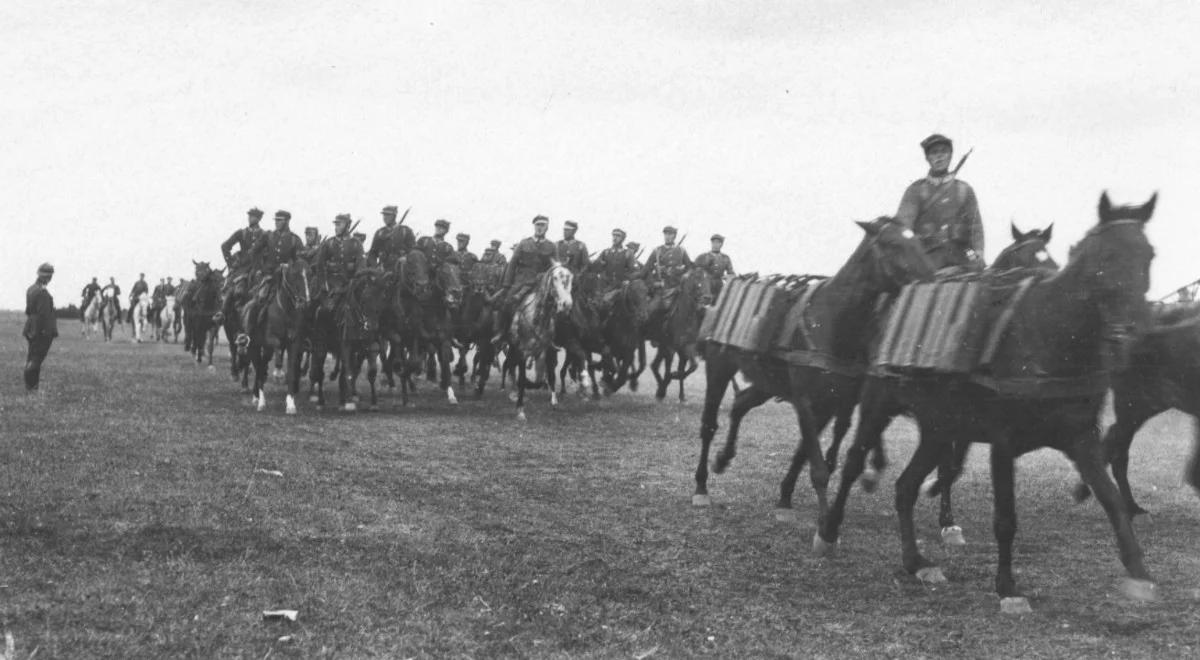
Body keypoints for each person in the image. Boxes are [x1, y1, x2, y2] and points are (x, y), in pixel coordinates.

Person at [895, 133, 985, 271]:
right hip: (928, 261)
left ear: (950, 155)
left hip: (962, 258)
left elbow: (976, 227)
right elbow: (903, 229)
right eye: (934, 153)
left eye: (944, 151)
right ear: (927, 158)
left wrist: (978, 253)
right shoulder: (916, 191)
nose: (939, 156)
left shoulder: (964, 190)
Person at [239, 209, 305, 340]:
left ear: (287, 221)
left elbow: (300, 260)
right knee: (257, 302)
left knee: (299, 304)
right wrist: (259, 269)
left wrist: (290, 267)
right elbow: (253, 252)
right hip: (269, 277)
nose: (277, 223)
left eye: (280, 221)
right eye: (276, 220)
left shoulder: (294, 240)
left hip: (287, 279)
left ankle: (301, 338)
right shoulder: (268, 236)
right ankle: (247, 335)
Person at [493, 215, 558, 342]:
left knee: (556, 307)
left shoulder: (552, 246)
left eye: (543, 225)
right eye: (538, 225)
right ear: (534, 226)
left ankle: (553, 338)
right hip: (521, 282)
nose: (540, 228)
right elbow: (512, 264)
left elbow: (555, 267)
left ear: (547, 227)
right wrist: (507, 284)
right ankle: (502, 332)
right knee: (507, 303)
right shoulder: (524, 243)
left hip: (541, 284)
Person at [316, 213, 366, 313]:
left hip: (350, 285)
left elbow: (361, 265)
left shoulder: (356, 244)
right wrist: (324, 285)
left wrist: (354, 281)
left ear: (347, 226)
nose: (336, 228)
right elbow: (320, 266)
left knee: (363, 307)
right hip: (331, 287)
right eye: (336, 225)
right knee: (320, 311)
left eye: (339, 225)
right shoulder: (329, 243)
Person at [24, 263, 58, 393]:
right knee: (36, 359)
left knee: (32, 356)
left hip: (31, 327)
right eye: (50, 277)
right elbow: (43, 314)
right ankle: (32, 388)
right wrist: (44, 330)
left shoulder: (31, 289)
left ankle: (31, 387)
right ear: (47, 277)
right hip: (42, 330)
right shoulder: (43, 292)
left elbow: (28, 311)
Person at [367, 205, 416, 271]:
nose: (385, 217)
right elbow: (372, 253)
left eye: (388, 215)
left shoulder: (405, 231)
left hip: (401, 267)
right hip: (384, 268)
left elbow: (413, 250)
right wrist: (375, 266)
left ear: (394, 216)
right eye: (384, 215)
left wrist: (406, 258)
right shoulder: (380, 233)